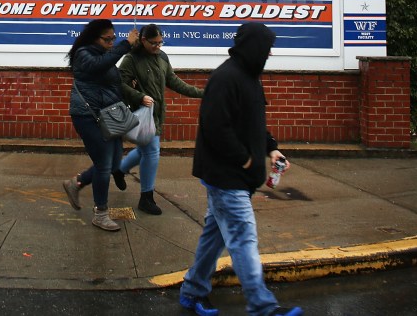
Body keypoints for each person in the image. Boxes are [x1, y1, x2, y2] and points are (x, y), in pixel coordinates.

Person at [179, 23, 303, 316]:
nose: (270, 52)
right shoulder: (226, 78)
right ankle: (263, 306)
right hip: (226, 177)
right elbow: (214, 127)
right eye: (267, 47)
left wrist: (271, 148)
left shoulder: (250, 77)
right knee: (243, 238)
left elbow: (254, 122)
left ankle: (192, 291)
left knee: (214, 237)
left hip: (236, 177)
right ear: (254, 47)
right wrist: (244, 159)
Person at [115, 23, 204, 215]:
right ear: (143, 40)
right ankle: (146, 198)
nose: (158, 46)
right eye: (154, 43)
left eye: (160, 42)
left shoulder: (162, 57)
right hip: (140, 113)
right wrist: (139, 96)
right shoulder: (131, 58)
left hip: (157, 114)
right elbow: (119, 84)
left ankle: (119, 170)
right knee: (152, 151)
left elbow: (174, 81)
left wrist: (202, 93)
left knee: (143, 150)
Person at [62, 18, 139, 231]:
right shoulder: (84, 54)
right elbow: (99, 67)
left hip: (107, 115)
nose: (112, 42)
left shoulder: (104, 55)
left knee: (115, 162)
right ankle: (101, 213)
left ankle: (76, 182)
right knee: (104, 164)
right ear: (95, 38)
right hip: (88, 116)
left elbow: (110, 79)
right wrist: (126, 44)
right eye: (108, 39)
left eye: (114, 38)